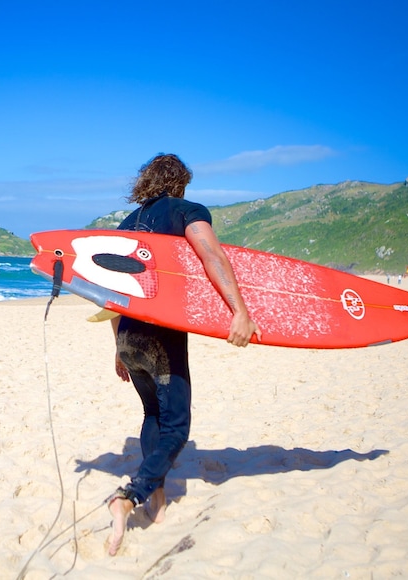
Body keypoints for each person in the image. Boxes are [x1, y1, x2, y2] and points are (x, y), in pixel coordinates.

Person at [105, 153, 261, 556]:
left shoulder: (126, 225)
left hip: (128, 336)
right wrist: (240, 311)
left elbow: (112, 292)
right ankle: (130, 497)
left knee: (152, 415)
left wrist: (118, 347)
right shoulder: (187, 211)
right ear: (181, 183)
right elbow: (212, 256)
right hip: (162, 334)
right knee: (176, 426)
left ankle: (157, 504)